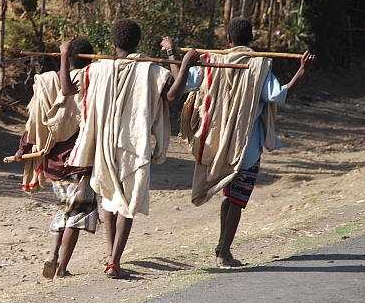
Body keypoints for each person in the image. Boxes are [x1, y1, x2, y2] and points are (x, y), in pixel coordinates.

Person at [60, 19, 200, 278]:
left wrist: (65, 55)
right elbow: (173, 96)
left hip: (104, 144)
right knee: (128, 200)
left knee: (111, 198)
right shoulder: (151, 69)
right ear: (138, 42)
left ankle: (110, 255)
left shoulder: (99, 69)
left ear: (113, 43)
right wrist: (175, 56)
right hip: (135, 144)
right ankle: (114, 260)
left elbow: (67, 88)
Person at [177, 17, 315, 267]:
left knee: (230, 198)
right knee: (237, 202)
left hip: (220, 146)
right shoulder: (259, 65)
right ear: (252, 38)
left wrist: (177, 57)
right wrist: (302, 71)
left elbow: (186, 82)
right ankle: (224, 253)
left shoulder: (212, 61)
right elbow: (279, 95)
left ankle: (222, 247)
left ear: (228, 40)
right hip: (248, 150)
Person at [14, 38, 99, 280]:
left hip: (52, 162)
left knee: (64, 208)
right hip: (78, 160)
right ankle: (61, 267)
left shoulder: (46, 83)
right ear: (89, 60)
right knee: (77, 214)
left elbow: (35, 121)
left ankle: (52, 254)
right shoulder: (88, 83)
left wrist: (23, 147)